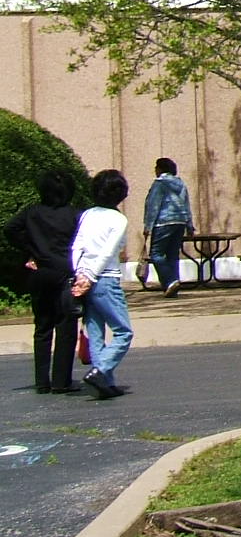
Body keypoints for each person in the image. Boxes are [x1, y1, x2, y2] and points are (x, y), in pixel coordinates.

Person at [6, 168, 83, 393]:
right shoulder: (74, 215)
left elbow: (10, 229)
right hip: (65, 272)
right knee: (66, 326)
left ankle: (42, 381)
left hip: (40, 273)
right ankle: (61, 381)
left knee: (42, 327)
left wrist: (30, 250)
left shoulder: (32, 213)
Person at [70, 169, 134, 400]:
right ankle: (101, 370)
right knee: (123, 331)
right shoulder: (118, 219)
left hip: (84, 275)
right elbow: (108, 252)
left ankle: (105, 383)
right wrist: (91, 276)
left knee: (95, 331)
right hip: (105, 278)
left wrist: (81, 275)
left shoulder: (87, 215)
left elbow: (77, 245)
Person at [141, 157, 193, 296]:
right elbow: (186, 204)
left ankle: (170, 281)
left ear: (160, 169)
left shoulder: (159, 184)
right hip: (180, 221)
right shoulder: (180, 184)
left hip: (163, 222)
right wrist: (189, 224)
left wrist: (148, 225)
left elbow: (153, 205)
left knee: (156, 254)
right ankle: (172, 285)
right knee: (172, 255)